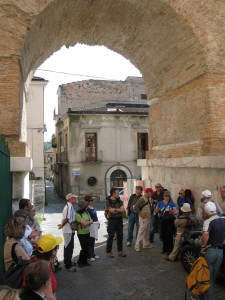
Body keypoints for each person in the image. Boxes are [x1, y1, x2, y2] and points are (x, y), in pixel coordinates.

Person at [194, 201, 225, 300]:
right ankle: (199, 296)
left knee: (208, 279)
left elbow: (205, 234)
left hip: (210, 251)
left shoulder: (208, 222)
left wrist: (203, 246)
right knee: (212, 278)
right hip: (220, 252)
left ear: (206, 213)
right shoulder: (223, 219)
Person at [58, 193, 77, 272]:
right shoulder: (69, 206)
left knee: (70, 246)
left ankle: (68, 261)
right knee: (68, 247)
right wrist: (62, 225)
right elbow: (66, 218)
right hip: (68, 230)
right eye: (74, 198)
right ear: (71, 199)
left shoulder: (70, 206)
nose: (76, 200)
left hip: (70, 229)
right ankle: (68, 265)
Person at [105, 187, 126, 258]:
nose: (118, 194)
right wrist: (118, 209)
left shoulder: (120, 201)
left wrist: (115, 210)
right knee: (111, 235)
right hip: (112, 220)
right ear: (113, 194)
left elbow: (123, 210)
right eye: (117, 193)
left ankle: (120, 251)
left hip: (119, 220)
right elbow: (111, 210)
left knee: (120, 235)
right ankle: (109, 251)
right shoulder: (108, 201)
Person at [75, 200, 93, 267]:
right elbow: (86, 222)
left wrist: (86, 223)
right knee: (84, 248)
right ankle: (80, 261)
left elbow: (91, 221)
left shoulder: (87, 213)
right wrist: (87, 223)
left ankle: (84, 261)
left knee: (87, 247)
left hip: (87, 232)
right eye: (86, 206)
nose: (87, 207)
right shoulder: (77, 214)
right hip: (81, 233)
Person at [84, 194, 100, 262]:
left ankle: (92, 253)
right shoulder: (87, 208)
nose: (93, 201)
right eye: (91, 200)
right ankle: (89, 255)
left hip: (95, 225)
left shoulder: (91, 207)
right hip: (91, 226)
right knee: (90, 240)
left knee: (93, 240)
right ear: (88, 201)